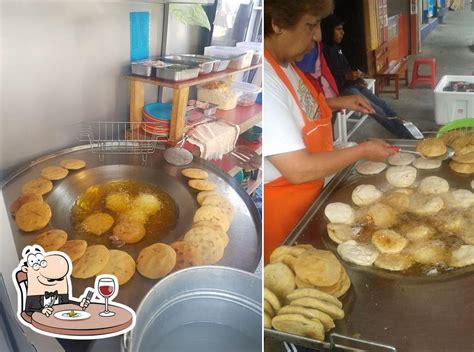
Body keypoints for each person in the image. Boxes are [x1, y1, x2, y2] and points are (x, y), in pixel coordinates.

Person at [264, 0, 397, 262]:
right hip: (286, 217)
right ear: (276, 25)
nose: (317, 37)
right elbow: (298, 169)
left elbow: (293, 111)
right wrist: (363, 150)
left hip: (311, 200)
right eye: (310, 26)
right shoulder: (266, 78)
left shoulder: (285, 64)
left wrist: (336, 102)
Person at [321, 14, 399, 119]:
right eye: (338, 29)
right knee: (375, 110)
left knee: (383, 104)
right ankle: (405, 133)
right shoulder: (322, 51)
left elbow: (345, 68)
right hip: (342, 89)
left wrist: (357, 79)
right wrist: (347, 77)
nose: (343, 32)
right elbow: (326, 79)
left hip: (351, 84)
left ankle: (406, 126)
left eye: (342, 29)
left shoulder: (336, 46)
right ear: (329, 30)